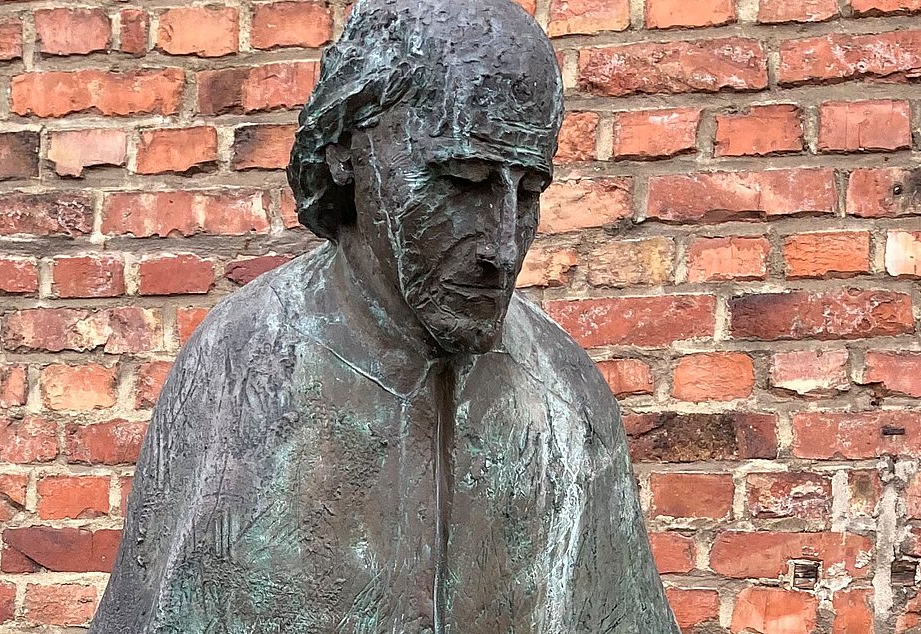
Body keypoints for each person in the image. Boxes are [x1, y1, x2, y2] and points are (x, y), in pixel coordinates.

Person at [91, 1, 679, 631]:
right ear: (348, 151)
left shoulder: (566, 394)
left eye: (529, 192)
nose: (505, 247)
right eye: (464, 182)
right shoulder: (245, 365)